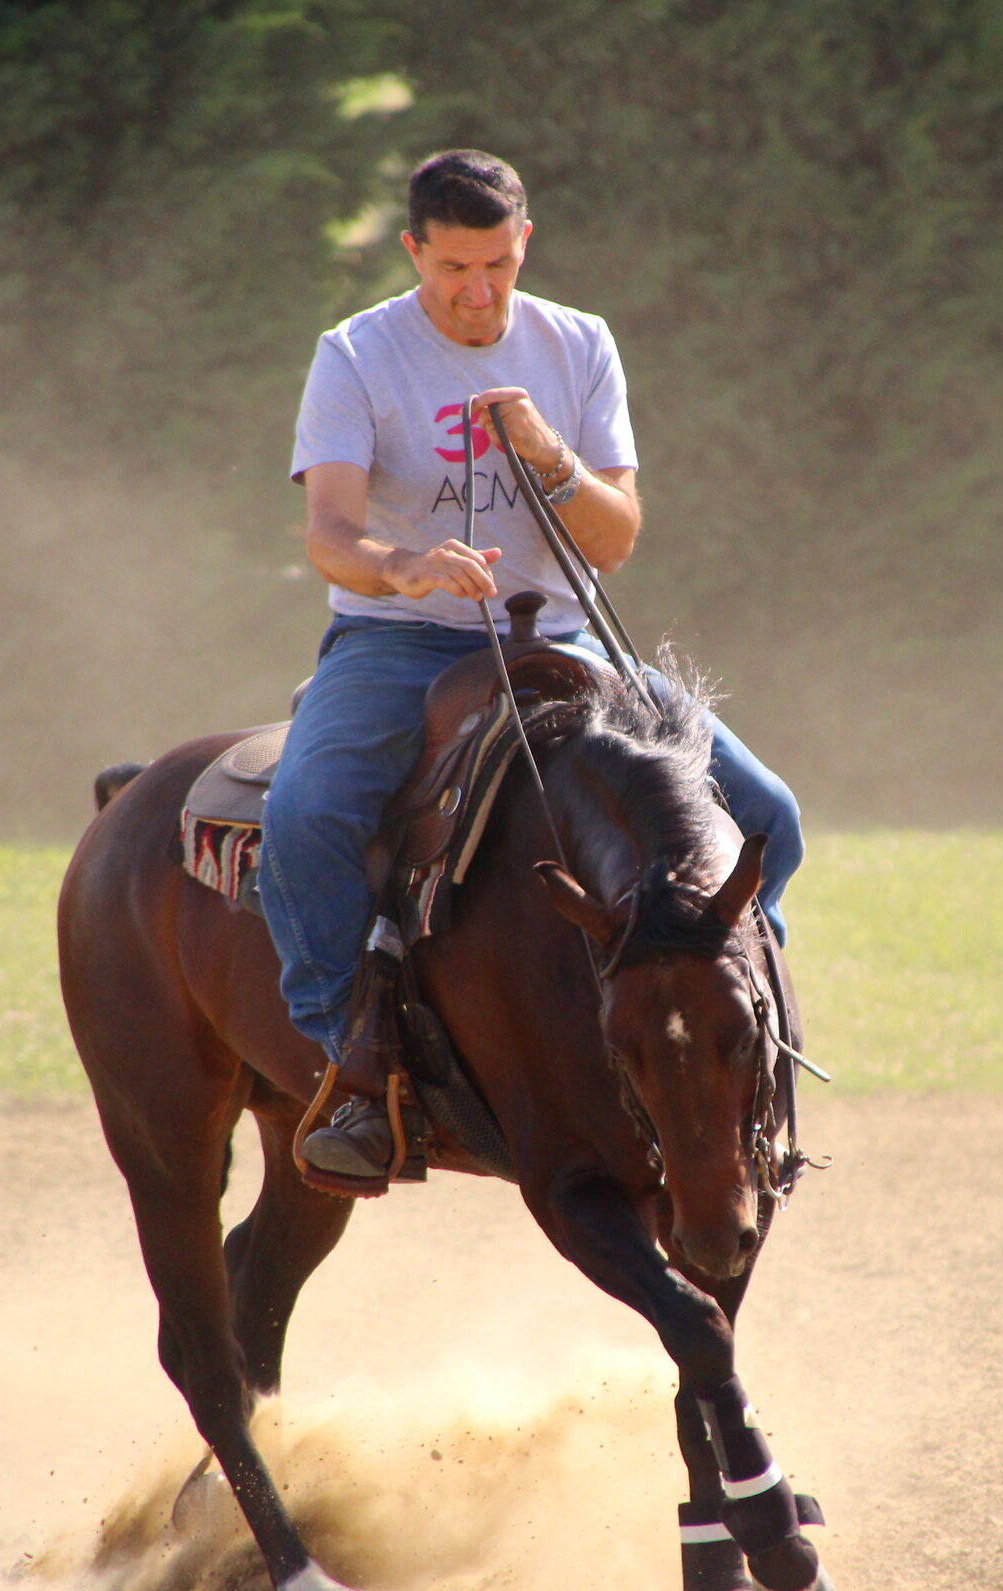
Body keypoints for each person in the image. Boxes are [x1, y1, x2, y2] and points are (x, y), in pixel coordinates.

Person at [264, 149, 802, 1183]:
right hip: (399, 641)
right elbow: (329, 534)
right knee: (308, 813)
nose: (477, 292)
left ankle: (748, 1039)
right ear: (415, 251)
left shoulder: (579, 343)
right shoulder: (357, 354)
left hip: (567, 640)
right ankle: (357, 1068)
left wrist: (551, 455)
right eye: (453, 268)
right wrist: (406, 566)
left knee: (769, 810)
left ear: (526, 245)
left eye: (498, 266)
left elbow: (614, 539)